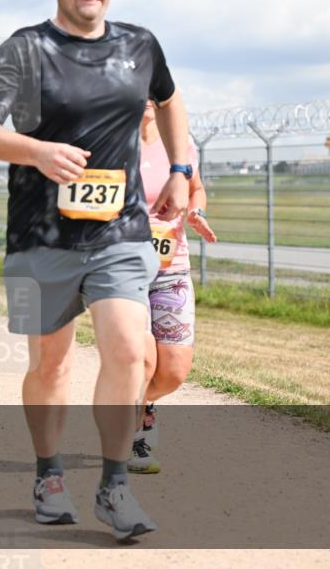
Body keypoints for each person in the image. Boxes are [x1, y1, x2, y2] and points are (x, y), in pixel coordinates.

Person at [0, 0, 191, 541]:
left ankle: (114, 486)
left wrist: (181, 169)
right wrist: (36, 151)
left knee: (129, 349)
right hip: (42, 235)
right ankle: (48, 473)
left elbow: (169, 101)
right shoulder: (26, 49)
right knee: (51, 364)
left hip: (121, 231)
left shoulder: (139, 44)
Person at [129, 100, 217, 474]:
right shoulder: (109, 140)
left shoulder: (178, 143)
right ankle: (133, 439)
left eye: (156, 90)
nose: (149, 96)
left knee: (174, 372)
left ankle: (133, 403)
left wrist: (196, 211)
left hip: (172, 268)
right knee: (143, 360)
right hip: (124, 269)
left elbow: (196, 189)